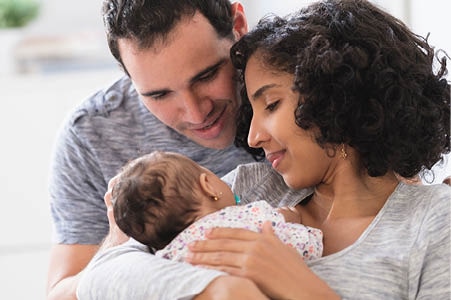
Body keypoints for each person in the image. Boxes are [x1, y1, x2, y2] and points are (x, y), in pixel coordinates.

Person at [78, 0, 450, 299]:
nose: (253, 136)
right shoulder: (248, 189)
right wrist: (220, 289)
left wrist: (299, 288)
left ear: (335, 97)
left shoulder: (433, 221)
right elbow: (98, 279)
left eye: (270, 105)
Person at [46, 1, 267, 299]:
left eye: (207, 75)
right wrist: (119, 242)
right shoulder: (91, 135)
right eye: (159, 94)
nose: (196, 113)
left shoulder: (298, 88)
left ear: (238, 26)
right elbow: (60, 295)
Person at [111, 150, 323, 261]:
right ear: (208, 186)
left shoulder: (166, 258)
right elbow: (308, 247)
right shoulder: (247, 218)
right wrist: (291, 219)